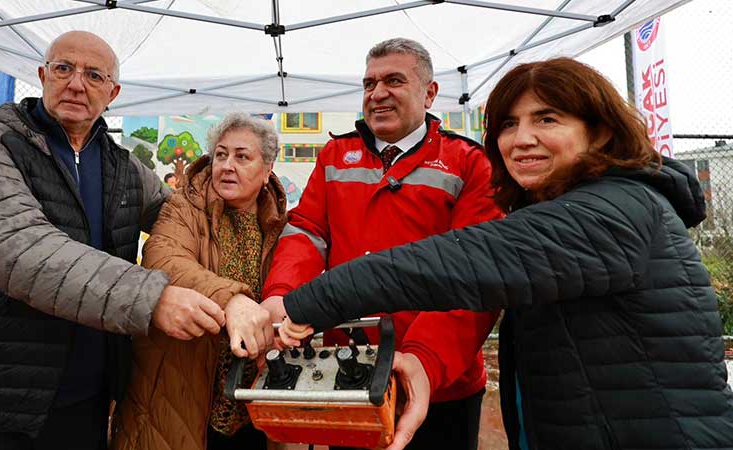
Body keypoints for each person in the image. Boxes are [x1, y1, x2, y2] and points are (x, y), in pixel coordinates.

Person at [280, 57, 733, 450]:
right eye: (509, 124)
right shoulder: (577, 203)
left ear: (600, 132)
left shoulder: (614, 209)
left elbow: (462, 264)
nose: (522, 139)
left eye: (547, 119)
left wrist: (303, 306)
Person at [0, 31, 227, 450]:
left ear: (111, 93)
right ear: (42, 75)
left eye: (94, 75)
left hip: (83, 406)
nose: (77, 83)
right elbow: (23, 250)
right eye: (64, 69)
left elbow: (183, 219)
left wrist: (256, 205)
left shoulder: (125, 168)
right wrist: (153, 298)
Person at [261, 38, 502, 450]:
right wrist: (281, 296)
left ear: (429, 93)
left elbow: (477, 276)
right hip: (351, 374)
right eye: (369, 83)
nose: (378, 94)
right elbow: (305, 233)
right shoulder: (336, 156)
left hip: (439, 380)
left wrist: (425, 359)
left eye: (394, 80)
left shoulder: (469, 162)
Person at [113, 113, 287, 450]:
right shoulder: (184, 208)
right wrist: (231, 299)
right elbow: (163, 258)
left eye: (242, 156)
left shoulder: (279, 225)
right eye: (221, 154)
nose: (227, 165)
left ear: (267, 171)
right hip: (183, 393)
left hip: (254, 405)